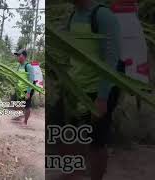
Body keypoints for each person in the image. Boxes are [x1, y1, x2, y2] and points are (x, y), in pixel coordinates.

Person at [51, 0, 122, 180]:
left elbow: (111, 60)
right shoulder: (74, 15)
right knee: (59, 131)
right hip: (75, 88)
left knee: (96, 142)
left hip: (98, 91)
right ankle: (73, 173)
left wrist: (102, 97)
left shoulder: (103, 16)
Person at [12, 49, 35, 126]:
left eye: (19, 55)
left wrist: (28, 92)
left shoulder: (28, 66)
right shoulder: (19, 66)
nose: (17, 57)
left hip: (27, 89)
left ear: (24, 56)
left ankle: (25, 121)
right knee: (15, 103)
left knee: (27, 106)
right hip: (19, 88)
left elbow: (31, 80)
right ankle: (19, 116)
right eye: (17, 55)